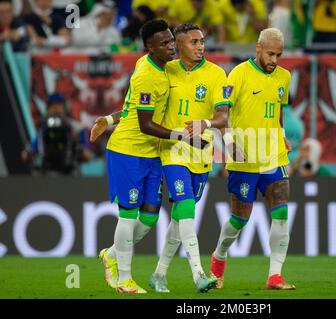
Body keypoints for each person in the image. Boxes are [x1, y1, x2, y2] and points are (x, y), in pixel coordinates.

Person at [91, 19, 193, 295]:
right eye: (165, 44)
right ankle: (124, 279)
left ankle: (111, 254)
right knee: (128, 215)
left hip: (151, 153)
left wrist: (110, 118)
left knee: (149, 218)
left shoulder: (155, 65)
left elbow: (129, 105)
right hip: (128, 152)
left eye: (172, 41)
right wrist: (180, 136)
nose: (172, 47)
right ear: (150, 47)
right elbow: (146, 123)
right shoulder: (146, 74)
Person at [208, 27, 295, 290]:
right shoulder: (238, 74)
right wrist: (230, 145)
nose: (274, 60)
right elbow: (222, 116)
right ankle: (218, 258)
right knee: (239, 220)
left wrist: (282, 135)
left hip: (273, 156)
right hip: (244, 158)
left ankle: (275, 276)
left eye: (279, 55)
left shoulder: (284, 77)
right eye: (270, 54)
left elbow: (279, 110)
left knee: (280, 212)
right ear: (258, 48)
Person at [149, 23, 230, 293]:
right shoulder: (165, 70)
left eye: (202, 41)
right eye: (194, 42)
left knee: (178, 219)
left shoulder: (216, 74)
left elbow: (223, 116)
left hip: (201, 152)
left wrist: (206, 123)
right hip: (172, 151)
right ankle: (198, 274)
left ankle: (159, 274)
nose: (200, 46)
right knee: (185, 209)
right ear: (179, 45)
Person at [21, 93, 93, 175]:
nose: (55, 108)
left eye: (58, 105)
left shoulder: (76, 128)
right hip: (47, 172)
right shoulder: (42, 129)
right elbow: (29, 153)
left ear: (65, 108)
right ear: (48, 108)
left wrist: (76, 145)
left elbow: (88, 156)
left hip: (70, 172)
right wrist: (28, 152)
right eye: (52, 105)